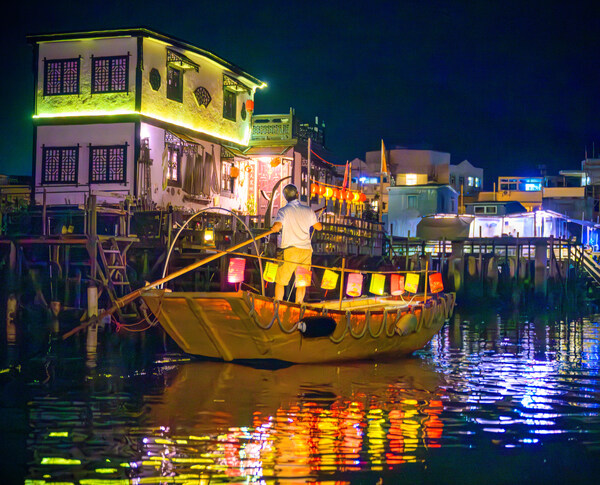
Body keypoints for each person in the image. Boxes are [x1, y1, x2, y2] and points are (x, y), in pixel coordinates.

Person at [271, 184, 322, 303]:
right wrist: (313, 219)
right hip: (305, 251)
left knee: (281, 281)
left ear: (285, 197)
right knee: (301, 282)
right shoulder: (308, 210)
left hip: (290, 250)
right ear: (297, 194)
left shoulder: (284, 210)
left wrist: (274, 228)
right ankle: (299, 305)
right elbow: (318, 227)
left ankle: (278, 305)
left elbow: (277, 226)